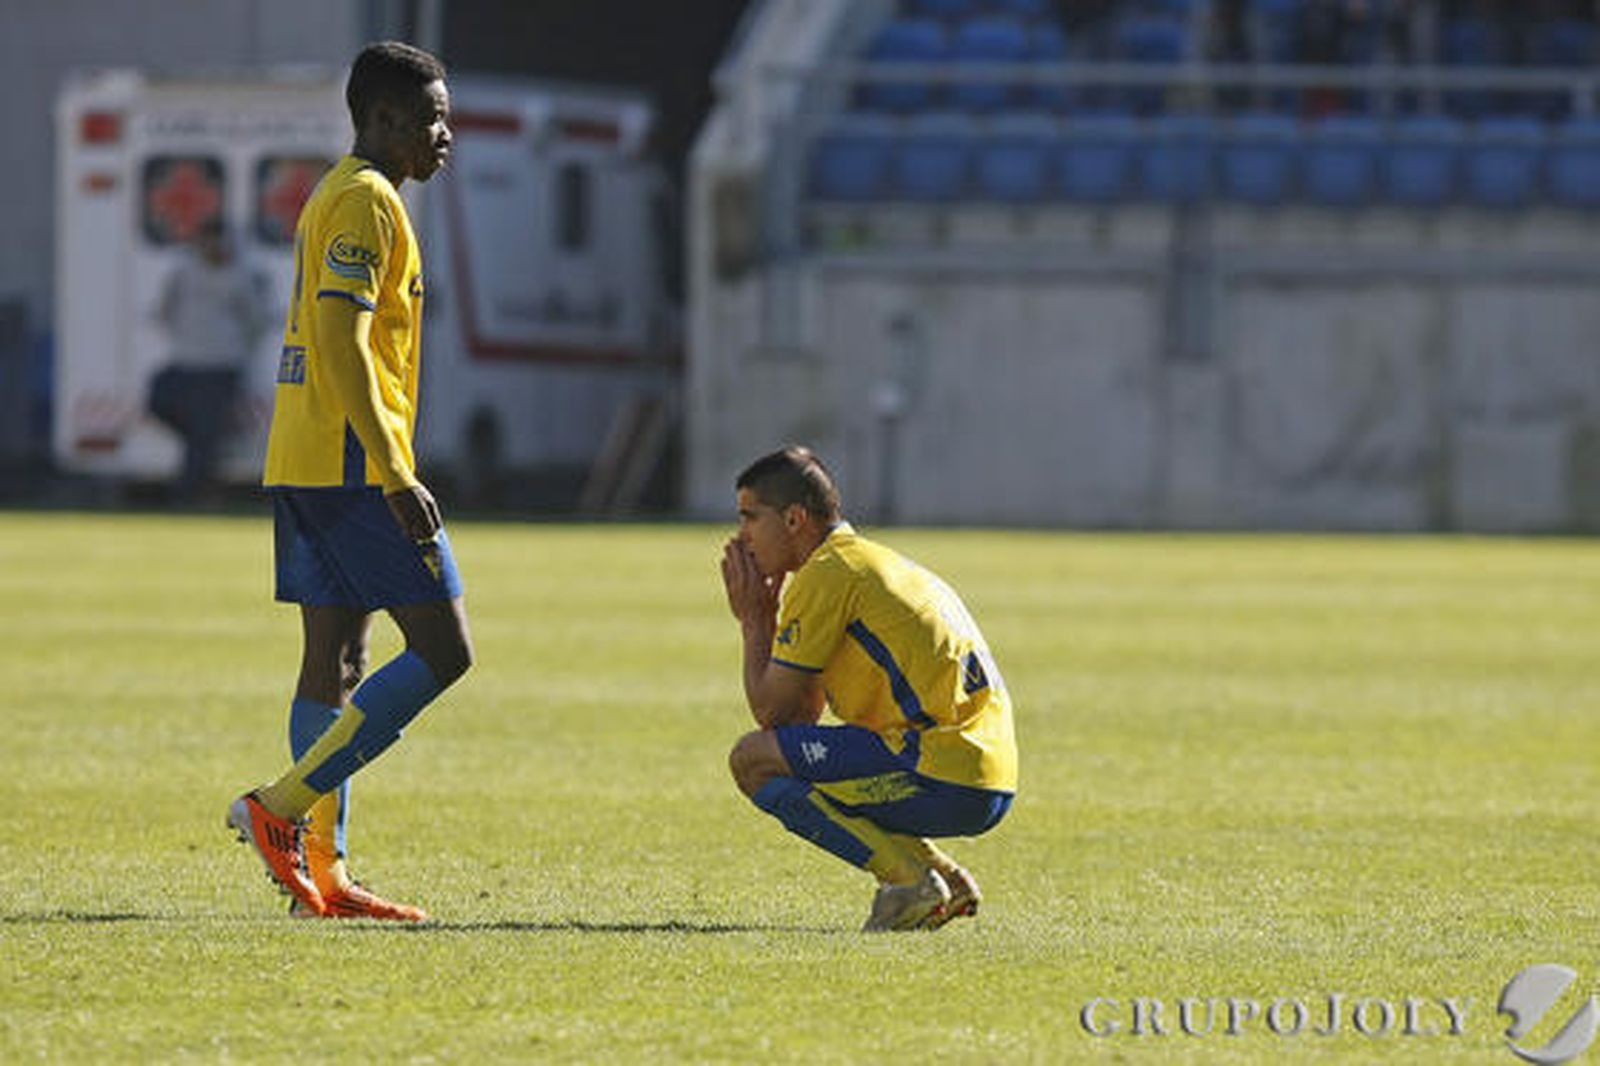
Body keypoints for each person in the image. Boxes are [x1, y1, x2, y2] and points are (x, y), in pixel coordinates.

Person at [225, 40, 471, 921]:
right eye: (432, 118)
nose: (446, 135)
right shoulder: (367, 203)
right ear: (382, 120)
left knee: (334, 659)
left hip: (305, 459)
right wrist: (397, 472)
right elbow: (342, 340)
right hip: (351, 467)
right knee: (446, 650)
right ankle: (280, 811)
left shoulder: (339, 192)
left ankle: (316, 878)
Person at [720, 447, 1018, 932]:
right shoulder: (865, 564)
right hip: (988, 774)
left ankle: (909, 882)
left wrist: (756, 621)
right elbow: (794, 724)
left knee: (749, 760)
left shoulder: (826, 575)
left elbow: (768, 715)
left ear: (794, 519)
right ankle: (943, 879)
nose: (741, 536)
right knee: (787, 758)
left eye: (751, 518)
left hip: (940, 772)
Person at [148, 221, 269, 502]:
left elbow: (255, 319)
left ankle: (188, 493)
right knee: (159, 403)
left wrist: (237, 349)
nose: (210, 247)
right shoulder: (184, 273)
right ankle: (200, 452)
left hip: (221, 365)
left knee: (204, 432)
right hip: (186, 361)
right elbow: (165, 308)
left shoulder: (239, 276)